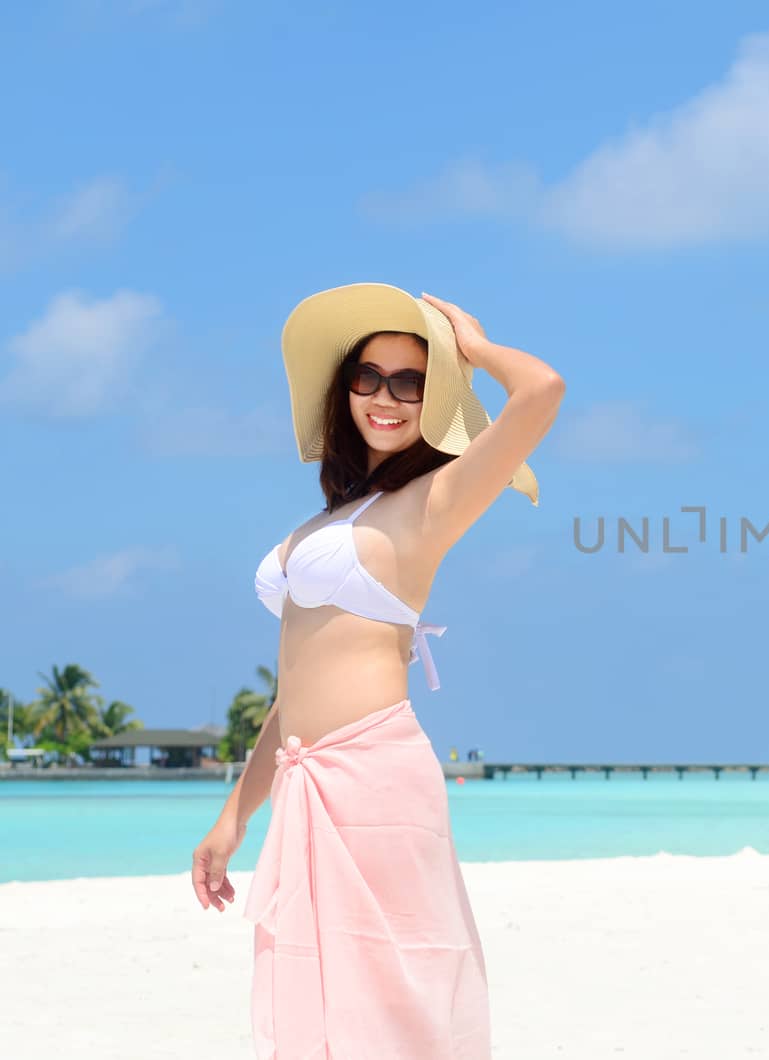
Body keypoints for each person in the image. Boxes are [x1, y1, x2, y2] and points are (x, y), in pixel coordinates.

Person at [188, 283, 563, 1058]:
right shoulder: (330, 518)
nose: (384, 398)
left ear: (433, 399)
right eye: (368, 377)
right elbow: (294, 696)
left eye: (409, 382)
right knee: (322, 1002)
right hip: (306, 778)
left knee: (394, 996)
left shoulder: (437, 499)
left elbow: (542, 391)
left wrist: (476, 345)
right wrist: (235, 816)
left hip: (376, 776)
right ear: (344, 390)